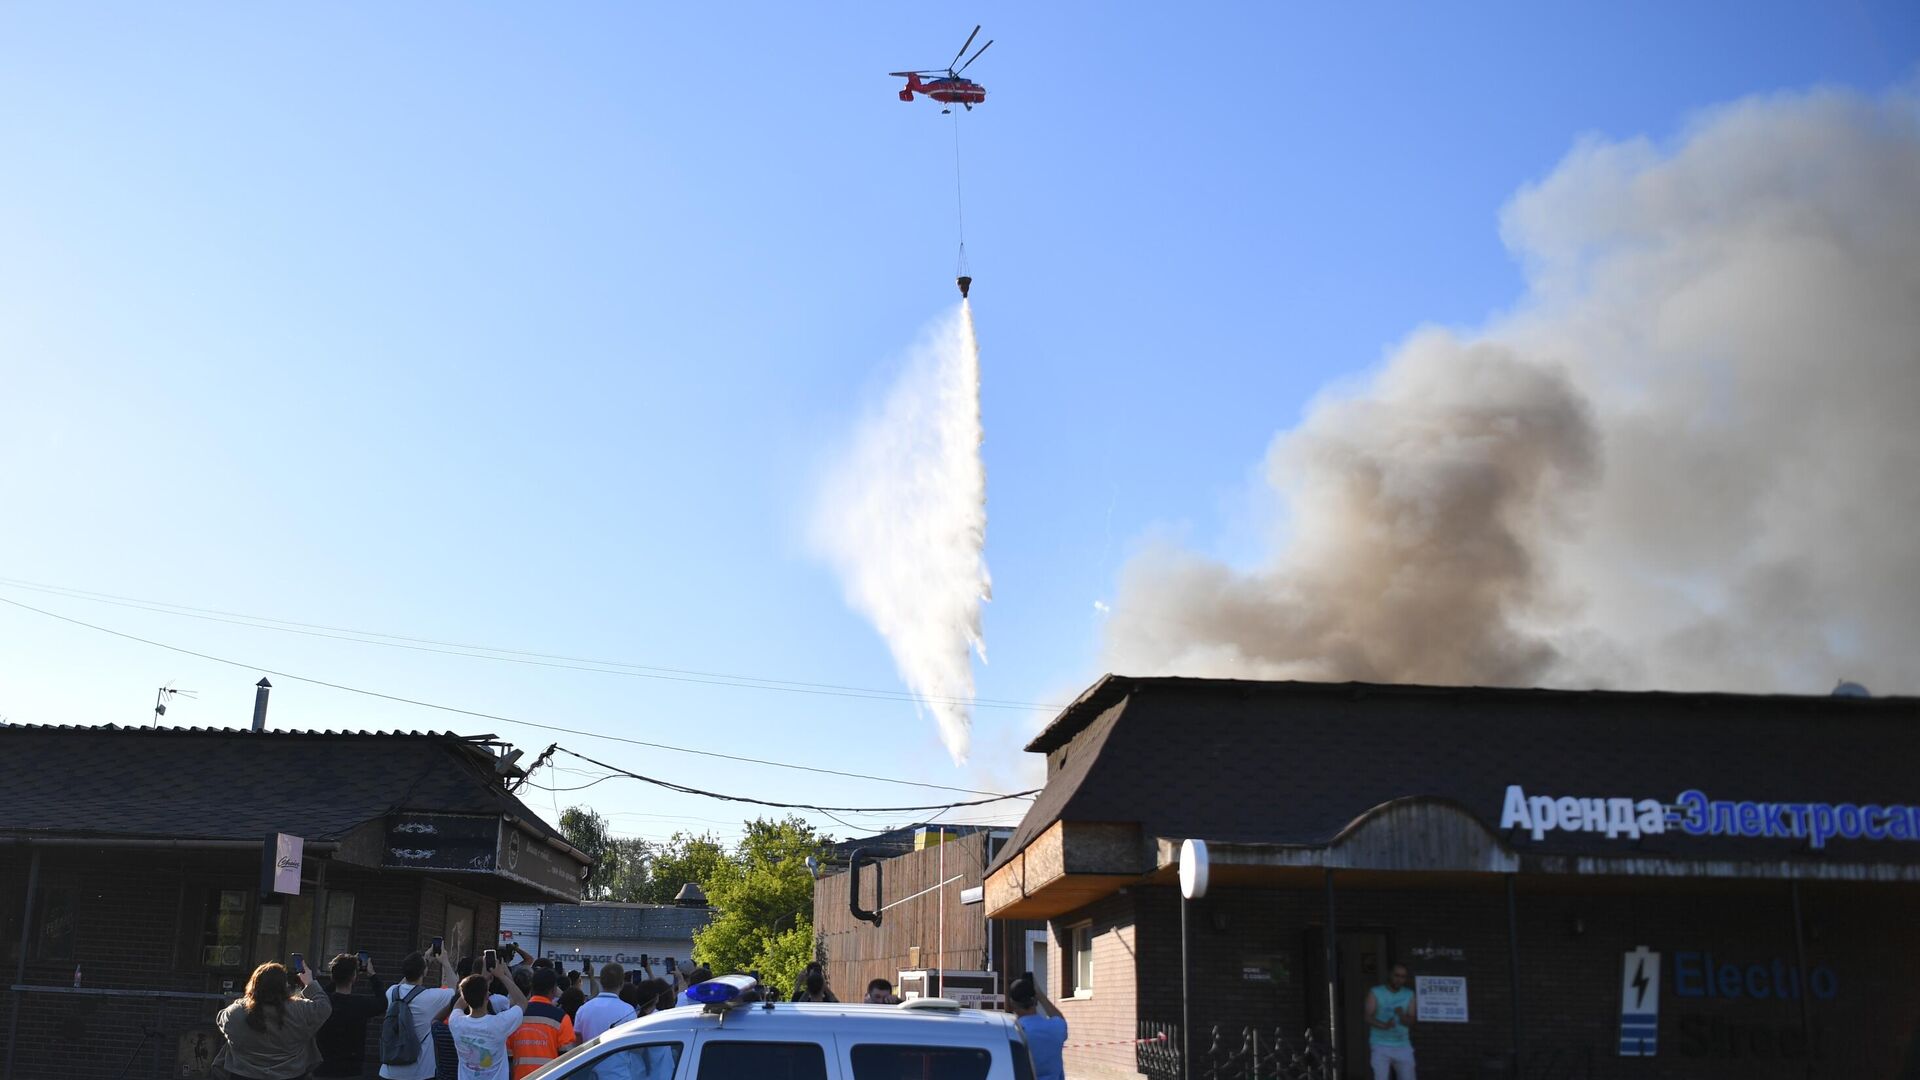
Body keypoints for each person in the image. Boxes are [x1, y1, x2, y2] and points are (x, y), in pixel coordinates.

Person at [214, 961, 335, 1080]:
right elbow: (324, 1006)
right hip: (291, 1074)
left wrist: (244, 1001)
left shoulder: (236, 1013)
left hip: (244, 1074)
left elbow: (221, 1019)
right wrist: (309, 982)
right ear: (284, 985)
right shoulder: (300, 1010)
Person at [380, 947, 457, 1080]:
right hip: (420, 1072)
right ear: (425, 972)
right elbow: (454, 988)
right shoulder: (430, 997)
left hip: (388, 1071)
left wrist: (423, 962)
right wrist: (445, 962)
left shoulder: (391, 992)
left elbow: (402, 985)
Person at [448, 956, 529, 1080]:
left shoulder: (455, 1022)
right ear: (487, 995)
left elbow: (458, 1004)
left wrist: (480, 980)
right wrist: (502, 976)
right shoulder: (498, 1023)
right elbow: (522, 1002)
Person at [317, 953, 387, 1078]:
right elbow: (383, 1002)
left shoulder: (324, 1002)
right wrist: (372, 975)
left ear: (333, 976)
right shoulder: (360, 1004)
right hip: (351, 1069)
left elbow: (322, 993)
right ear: (354, 977)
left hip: (323, 1068)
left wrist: (337, 978)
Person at [506, 967, 578, 1079]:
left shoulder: (516, 1014)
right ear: (554, 990)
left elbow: (508, 1055)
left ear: (532, 987)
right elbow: (567, 1058)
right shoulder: (561, 1018)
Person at [1364, 963, 1418, 1080]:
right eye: (1396, 975)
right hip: (1380, 1044)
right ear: (1390, 975)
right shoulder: (1376, 992)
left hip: (1403, 1044)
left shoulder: (1409, 994)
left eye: (1403, 977)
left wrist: (1401, 1015)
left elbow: (1411, 1020)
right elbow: (1368, 1016)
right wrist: (1384, 1025)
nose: (1399, 979)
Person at [1008, 973, 1066, 1080]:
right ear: (1035, 1001)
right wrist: (1040, 994)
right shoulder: (1056, 1027)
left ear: (1012, 1003)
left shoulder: (1013, 1032)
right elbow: (1060, 1018)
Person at [573, 962, 637, 1041]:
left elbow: (577, 1043)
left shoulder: (583, 1010)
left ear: (601, 981)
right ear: (622, 983)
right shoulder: (628, 1011)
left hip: (591, 1053)